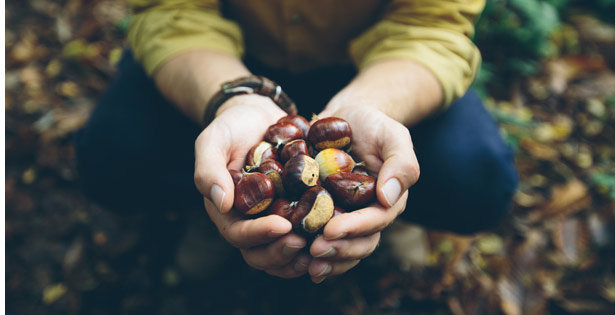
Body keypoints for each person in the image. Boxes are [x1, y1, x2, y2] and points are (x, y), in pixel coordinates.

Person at [75, 0, 518, 284]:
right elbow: (173, 11)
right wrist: (233, 100)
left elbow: (433, 25)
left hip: (374, 69)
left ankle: (393, 204)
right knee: (111, 157)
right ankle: (209, 199)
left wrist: (372, 104)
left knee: (477, 177)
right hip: (221, 63)